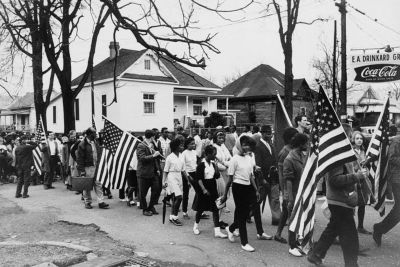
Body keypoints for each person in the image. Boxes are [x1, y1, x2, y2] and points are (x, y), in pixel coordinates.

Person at [308, 123, 366, 267]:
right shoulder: (337, 155)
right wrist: (356, 176)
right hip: (339, 200)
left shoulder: (343, 153)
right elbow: (335, 180)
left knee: (333, 229)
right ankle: (351, 264)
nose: (351, 139)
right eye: (350, 136)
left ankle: (316, 253)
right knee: (350, 237)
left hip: (341, 199)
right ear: (343, 136)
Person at [222, 135, 270, 252]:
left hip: (249, 187)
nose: (247, 147)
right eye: (244, 145)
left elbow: (251, 176)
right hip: (238, 188)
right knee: (242, 215)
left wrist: (256, 190)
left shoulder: (249, 158)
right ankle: (244, 242)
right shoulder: (234, 159)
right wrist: (224, 195)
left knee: (250, 211)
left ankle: (231, 228)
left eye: (248, 145)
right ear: (239, 145)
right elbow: (230, 179)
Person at [280, 133, 308, 256]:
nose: (308, 145)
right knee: (292, 219)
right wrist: (290, 199)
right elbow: (288, 180)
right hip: (292, 193)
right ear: (300, 144)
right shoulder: (289, 159)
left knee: (299, 218)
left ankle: (296, 242)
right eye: (306, 143)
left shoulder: (301, 155)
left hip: (300, 192)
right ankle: (292, 246)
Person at [373, 127, 400, 247]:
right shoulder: (397, 141)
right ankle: (379, 229)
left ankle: (379, 228)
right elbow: (391, 158)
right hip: (397, 179)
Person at [193, 145, 227, 238]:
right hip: (204, 187)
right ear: (207, 154)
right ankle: (195, 226)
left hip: (212, 187)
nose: (215, 156)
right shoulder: (201, 164)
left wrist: (216, 166)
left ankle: (217, 231)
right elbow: (199, 179)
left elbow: (216, 176)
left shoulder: (212, 164)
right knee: (200, 209)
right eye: (213, 154)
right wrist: (204, 189)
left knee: (215, 209)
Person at [274, 127, 298, 244]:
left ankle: (278, 234)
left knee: (285, 212)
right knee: (289, 211)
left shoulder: (294, 149)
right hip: (287, 186)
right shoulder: (284, 152)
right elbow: (281, 173)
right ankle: (292, 239)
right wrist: (284, 191)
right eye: (294, 137)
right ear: (289, 138)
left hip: (294, 184)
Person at [253, 125, 281, 225]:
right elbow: (258, 165)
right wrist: (262, 180)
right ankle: (248, 213)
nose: (270, 135)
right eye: (267, 133)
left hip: (273, 176)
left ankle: (277, 218)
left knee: (275, 198)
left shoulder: (271, 145)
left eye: (271, 133)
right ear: (262, 133)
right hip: (263, 178)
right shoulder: (258, 146)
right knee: (259, 198)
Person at [77, 127, 109, 209]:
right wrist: (82, 171)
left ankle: (101, 202)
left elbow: (99, 152)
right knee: (87, 185)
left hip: (96, 166)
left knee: (98, 184)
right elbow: (79, 159)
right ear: (89, 134)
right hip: (87, 167)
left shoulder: (95, 142)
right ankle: (87, 202)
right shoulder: (82, 144)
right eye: (94, 133)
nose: (96, 134)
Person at [163, 138, 190, 226]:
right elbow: (165, 171)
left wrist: (188, 180)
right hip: (171, 177)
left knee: (175, 198)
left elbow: (183, 170)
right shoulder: (169, 157)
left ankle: (172, 217)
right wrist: (164, 182)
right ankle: (175, 217)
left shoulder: (182, 155)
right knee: (179, 197)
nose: (182, 147)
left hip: (179, 177)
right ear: (175, 147)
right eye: (180, 145)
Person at [137, 129, 161, 216]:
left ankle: (151, 206)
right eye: (154, 136)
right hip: (144, 172)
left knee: (156, 189)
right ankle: (145, 209)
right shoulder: (141, 145)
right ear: (152, 137)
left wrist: (157, 169)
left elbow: (155, 160)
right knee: (143, 193)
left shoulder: (152, 145)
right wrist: (153, 155)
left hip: (153, 172)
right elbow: (142, 158)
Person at [351, 131, 372, 235]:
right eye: (357, 138)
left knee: (362, 204)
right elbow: (349, 167)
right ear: (353, 140)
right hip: (353, 181)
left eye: (361, 138)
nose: (359, 140)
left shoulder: (364, 151)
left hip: (363, 181)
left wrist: (366, 170)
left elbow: (367, 166)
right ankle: (348, 227)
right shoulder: (350, 152)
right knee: (351, 204)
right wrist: (357, 169)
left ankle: (360, 226)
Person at [213, 130, 231, 225]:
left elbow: (229, 158)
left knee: (226, 194)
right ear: (215, 139)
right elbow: (216, 162)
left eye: (222, 137)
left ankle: (219, 218)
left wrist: (226, 163)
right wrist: (225, 164)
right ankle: (217, 220)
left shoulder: (223, 146)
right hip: (219, 174)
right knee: (221, 195)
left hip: (226, 172)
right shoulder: (214, 147)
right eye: (219, 138)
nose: (221, 139)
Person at [181, 137, 197, 219]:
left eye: (194, 143)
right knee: (186, 193)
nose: (193, 145)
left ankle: (198, 209)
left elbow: (195, 164)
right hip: (187, 174)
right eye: (191, 144)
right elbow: (183, 167)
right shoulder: (184, 153)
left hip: (195, 173)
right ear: (187, 145)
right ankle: (184, 212)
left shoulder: (194, 152)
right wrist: (188, 177)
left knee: (199, 191)